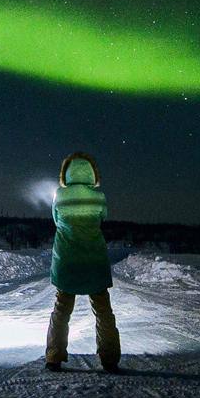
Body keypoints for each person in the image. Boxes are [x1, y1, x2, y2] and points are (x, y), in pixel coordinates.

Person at [45, 151, 121, 373]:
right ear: (91, 173)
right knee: (103, 311)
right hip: (94, 261)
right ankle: (110, 359)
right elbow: (101, 218)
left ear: (66, 172)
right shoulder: (99, 197)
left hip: (67, 261)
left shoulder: (60, 195)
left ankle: (54, 357)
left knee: (61, 310)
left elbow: (57, 222)